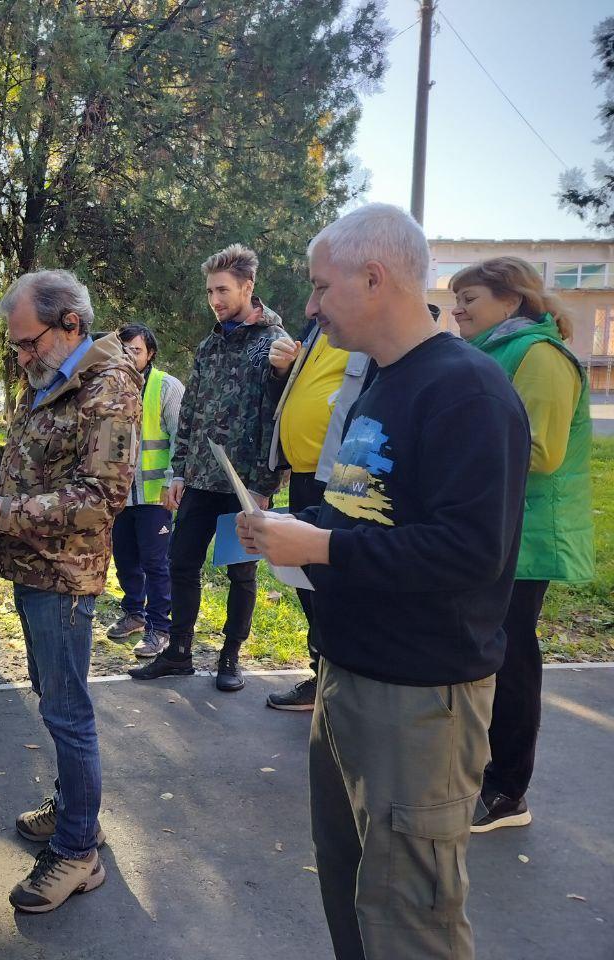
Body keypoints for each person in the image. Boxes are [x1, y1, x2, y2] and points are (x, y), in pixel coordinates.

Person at [237, 203, 530, 960]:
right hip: (349, 677)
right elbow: (366, 510)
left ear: (374, 278)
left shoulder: (467, 389)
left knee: (412, 918)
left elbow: (471, 551)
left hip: (421, 699)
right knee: (354, 894)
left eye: (318, 287)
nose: (307, 307)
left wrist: (323, 549)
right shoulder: (380, 380)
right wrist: (294, 527)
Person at [0, 269, 141, 914]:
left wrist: (6, 515)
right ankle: (76, 813)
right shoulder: (50, 377)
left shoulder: (109, 388)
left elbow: (102, 499)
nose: (21, 357)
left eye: (28, 342)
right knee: (54, 700)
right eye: (16, 346)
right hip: (32, 569)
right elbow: (15, 457)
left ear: (70, 324)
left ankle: (78, 853)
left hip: (64, 577)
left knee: (68, 715)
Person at [449, 257, 595, 833]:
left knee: (510, 658)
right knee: (491, 652)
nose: (458, 308)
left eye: (471, 298)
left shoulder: (539, 355)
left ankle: (509, 790)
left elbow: (540, 451)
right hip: (498, 526)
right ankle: (486, 774)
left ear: (512, 303)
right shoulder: (493, 351)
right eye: (458, 298)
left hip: (527, 533)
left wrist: (450, 454)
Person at [130, 244, 285, 690]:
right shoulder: (210, 345)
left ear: (248, 287)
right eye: (209, 292)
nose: (214, 300)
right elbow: (192, 412)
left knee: (241, 572)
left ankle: (230, 657)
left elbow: (276, 421)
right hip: (199, 478)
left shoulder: (274, 345)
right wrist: (178, 471)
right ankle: (178, 652)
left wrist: (263, 485)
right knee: (181, 563)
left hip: (243, 486)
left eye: (222, 290)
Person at [261, 306, 369, 709]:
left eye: (323, 287)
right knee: (309, 581)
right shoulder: (315, 328)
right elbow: (289, 397)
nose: (310, 304)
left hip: (341, 476)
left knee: (331, 580)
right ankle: (321, 672)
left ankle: (336, 679)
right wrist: (282, 372)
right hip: (308, 474)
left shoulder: (364, 333)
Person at [106, 324, 184, 658]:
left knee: (155, 563)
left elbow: (183, 437)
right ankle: (134, 613)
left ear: (149, 353)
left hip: (155, 496)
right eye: (122, 351)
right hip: (119, 495)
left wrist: (174, 479)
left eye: (135, 351)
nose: (128, 357)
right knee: (124, 560)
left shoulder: (166, 387)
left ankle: (158, 628)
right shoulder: (107, 387)